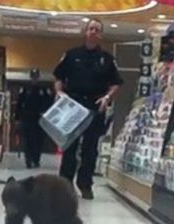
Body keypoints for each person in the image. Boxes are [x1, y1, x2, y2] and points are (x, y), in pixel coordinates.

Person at [53, 18, 123, 200]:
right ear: (85, 32)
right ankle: (65, 185)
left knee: (90, 149)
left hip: (95, 105)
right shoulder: (71, 55)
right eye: (91, 28)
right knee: (69, 146)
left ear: (100, 35)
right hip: (73, 104)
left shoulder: (107, 59)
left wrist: (107, 97)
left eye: (97, 29)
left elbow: (116, 83)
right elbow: (58, 77)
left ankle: (85, 184)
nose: (93, 32)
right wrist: (60, 93)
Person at [15, 69, 53, 169]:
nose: (34, 79)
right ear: (30, 77)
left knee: (38, 140)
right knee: (27, 140)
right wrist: (17, 118)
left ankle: (36, 159)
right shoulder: (25, 89)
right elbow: (19, 104)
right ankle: (28, 160)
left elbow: (49, 104)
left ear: (38, 77)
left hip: (39, 119)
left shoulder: (43, 90)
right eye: (33, 77)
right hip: (27, 118)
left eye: (36, 77)